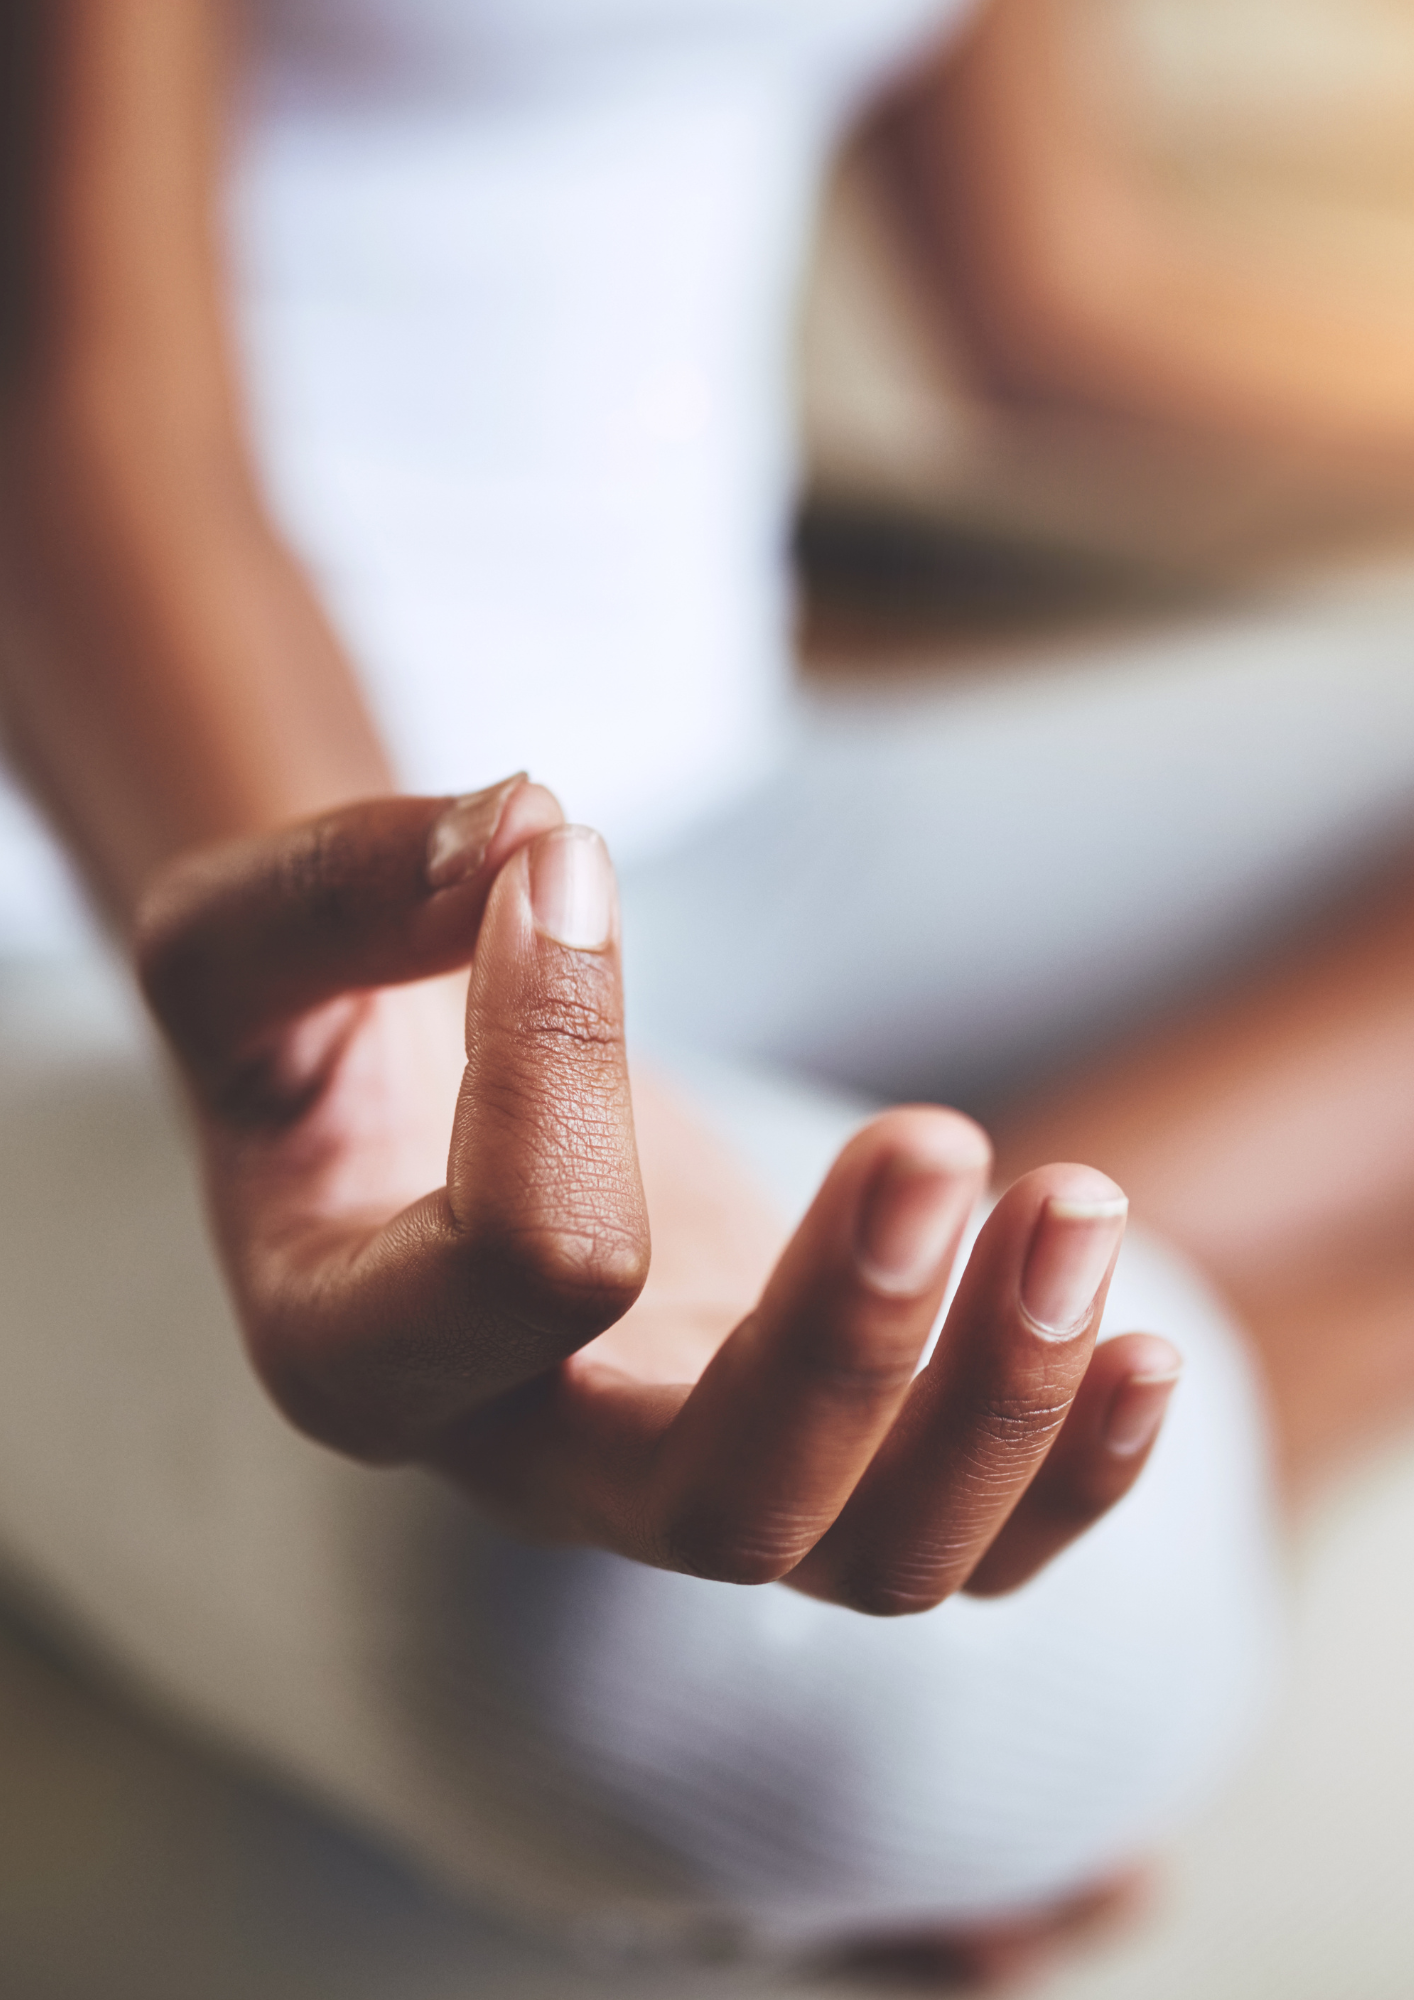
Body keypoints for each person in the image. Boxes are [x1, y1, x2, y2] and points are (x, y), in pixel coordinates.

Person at [0, 0, 1409, 1983]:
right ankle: (1167, 1339)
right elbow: (89, 418)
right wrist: (402, 1054)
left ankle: (1151, 1325)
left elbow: (1054, 290)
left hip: (744, 811)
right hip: (122, 893)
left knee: (868, 1527)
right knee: (706, 1685)